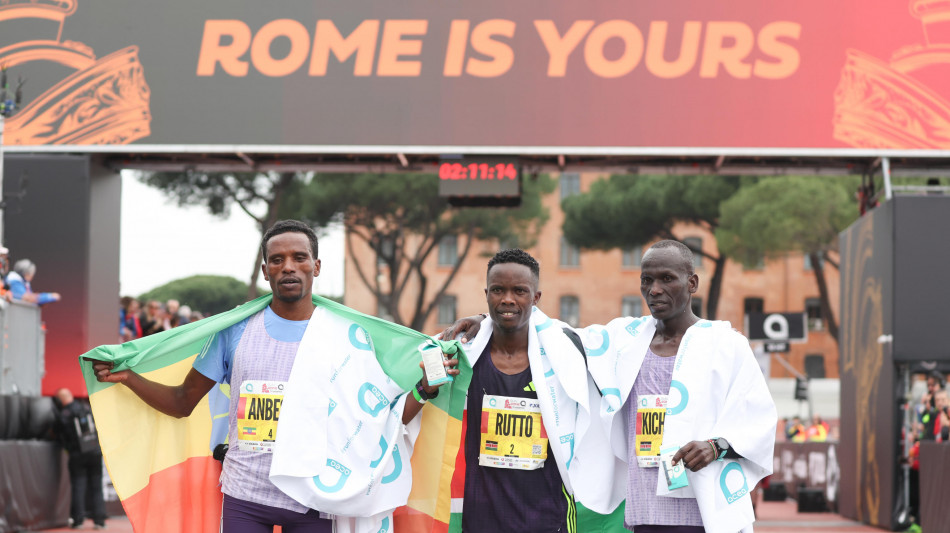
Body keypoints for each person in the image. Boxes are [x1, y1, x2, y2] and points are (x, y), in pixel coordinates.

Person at [92, 220, 457, 532]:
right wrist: (129, 377)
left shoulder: (347, 337)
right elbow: (180, 403)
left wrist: (425, 388)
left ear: (316, 266)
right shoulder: (233, 332)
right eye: (277, 260)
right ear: (265, 270)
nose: (288, 267)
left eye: (299, 258)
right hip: (245, 495)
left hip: (316, 495)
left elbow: (379, 419)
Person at [446, 240, 776, 532]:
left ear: (692, 283)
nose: (655, 289)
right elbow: (553, 332)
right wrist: (485, 320)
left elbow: (759, 419)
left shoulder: (726, 345)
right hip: (644, 511)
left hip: (705, 507)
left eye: (666, 279)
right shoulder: (622, 340)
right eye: (647, 280)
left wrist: (715, 446)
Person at [452, 249, 610, 532]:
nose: (508, 299)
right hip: (481, 518)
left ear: (536, 298)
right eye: (498, 290)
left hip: (547, 517)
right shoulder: (466, 356)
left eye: (519, 291)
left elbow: (620, 352)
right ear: (486, 294)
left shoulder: (565, 353)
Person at [53, 387, 107, 530]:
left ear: (60, 399)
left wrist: (68, 449)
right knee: (97, 487)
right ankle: (100, 520)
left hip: (77, 454)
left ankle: (78, 520)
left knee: (78, 486)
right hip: (95, 452)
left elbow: (58, 435)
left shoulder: (64, 415)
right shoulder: (86, 408)